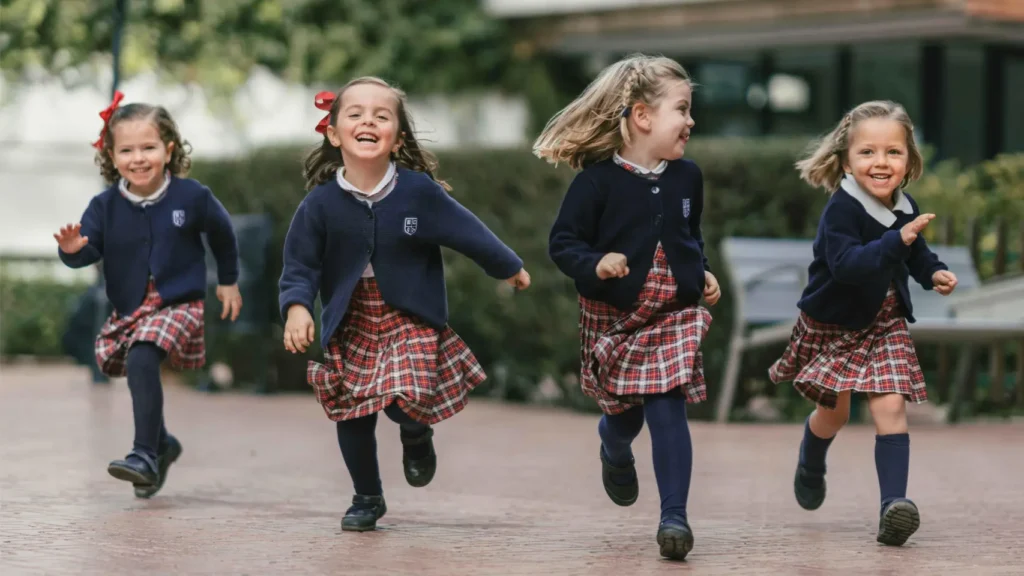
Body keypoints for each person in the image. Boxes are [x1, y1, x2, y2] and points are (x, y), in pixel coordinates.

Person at [279, 77, 531, 532]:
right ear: (334, 134)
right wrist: (297, 306)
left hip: (408, 316)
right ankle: (366, 496)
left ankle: (415, 434)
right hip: (352, 319)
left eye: (382, 115)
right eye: (355, 114)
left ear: (397, 137)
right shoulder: (319, 205)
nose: (368, 121)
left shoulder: (418, 192)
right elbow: (299, 264)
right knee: (351, 410)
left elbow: (466, 230)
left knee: (403, 399)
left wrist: (506, 265)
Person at [536, 54, 720, 561]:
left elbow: (690, 235)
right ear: (642, 116)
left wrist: (701, 272)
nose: (690, 120)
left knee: (667, 403)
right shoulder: (596, 182)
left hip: (672, 315)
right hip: (615, 318)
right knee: (625, 416)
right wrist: (595, 264)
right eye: (681, 109)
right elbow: (563, 244)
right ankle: (613, 446)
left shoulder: (688, 177)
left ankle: (674, 518)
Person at [769, 100, 958, 547]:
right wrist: (898, 241)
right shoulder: (843, 209)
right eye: (868, 152)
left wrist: (933, 271)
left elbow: (915, 252)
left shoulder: (904, 205)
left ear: (909, 161)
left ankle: (893, 506)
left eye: (893, 152)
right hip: (834, 325)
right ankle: (812, 455)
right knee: (834, 413)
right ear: (847, 162)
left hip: (884, 323)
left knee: (891, 407)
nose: (881, 162)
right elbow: (849, 265)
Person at [55, 91, 242, 498]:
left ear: (168, 149)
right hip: (131, 306)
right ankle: (162, 444)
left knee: (143, 353)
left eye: (148, 147)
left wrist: (228, 280)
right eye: (127, 150)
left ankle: (144, 456)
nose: (138, 158)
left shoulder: (192, 197)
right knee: (132, 365)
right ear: (111, 154)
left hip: (180, 302)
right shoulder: (104, 206)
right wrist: (72, 250)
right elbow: (87, 250)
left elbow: (223, 235)